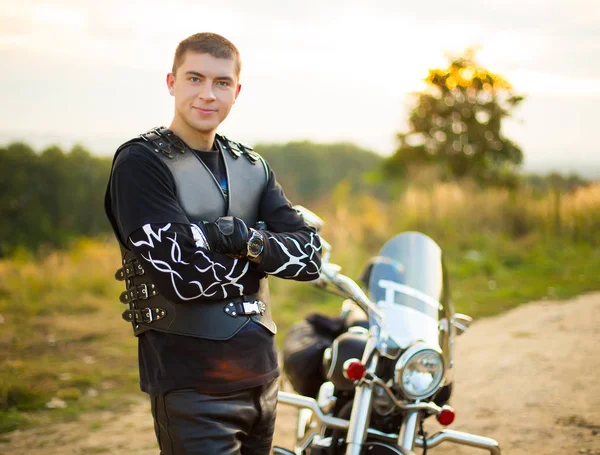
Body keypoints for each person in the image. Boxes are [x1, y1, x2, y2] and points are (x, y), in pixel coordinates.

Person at [104, 32, 322, 455]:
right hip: (191, 385)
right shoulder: (140, 163)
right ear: (172, 82)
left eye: (221, 83)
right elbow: (185, 278)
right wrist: (264, 253)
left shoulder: (251, 165)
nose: (207, 94)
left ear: (236, 91)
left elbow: (309, 257)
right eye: (194, 78)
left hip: (262, 378)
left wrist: (243, 240)